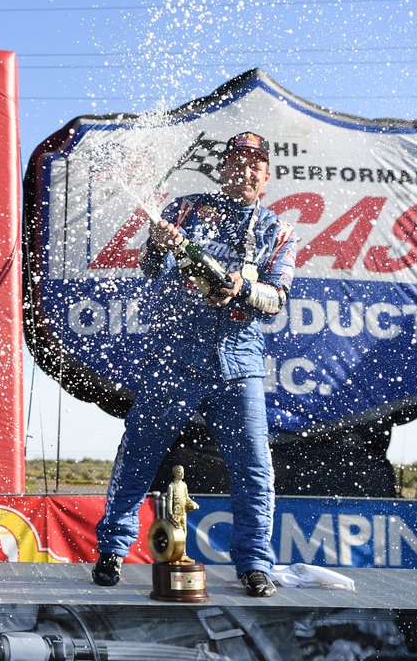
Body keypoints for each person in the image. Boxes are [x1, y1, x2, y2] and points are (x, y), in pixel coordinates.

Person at [92, 132, 297, 598]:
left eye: (255, 167)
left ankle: (253, 565)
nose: (244, 172)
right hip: (175, 359)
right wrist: (159, 244)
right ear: (222, 169)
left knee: (254, 466)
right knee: (140, 453)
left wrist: (239, 289)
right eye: (236, 163)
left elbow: (277, 299)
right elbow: (149, 268)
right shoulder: (185, 209)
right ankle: (111, 552)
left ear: (265, 179)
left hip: (238, 363)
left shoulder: (277, 229)